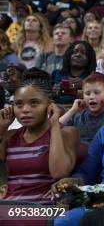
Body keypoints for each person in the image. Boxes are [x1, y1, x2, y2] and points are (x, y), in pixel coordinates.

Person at [0, 68, 79, 203]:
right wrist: (1, 129)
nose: (25, 110)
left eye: (34, 103)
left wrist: (54, 125)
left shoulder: (67, 133)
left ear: (50, 105)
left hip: (48, 212)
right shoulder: (8, 136)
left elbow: (59, 172)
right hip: (9, 209)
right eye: (18, 104)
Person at [59, 73, 104, 145]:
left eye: (96, 93)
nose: (91, 97)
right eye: (87, 93)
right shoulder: (78, 115)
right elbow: (55, 129)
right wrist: (72, 110)